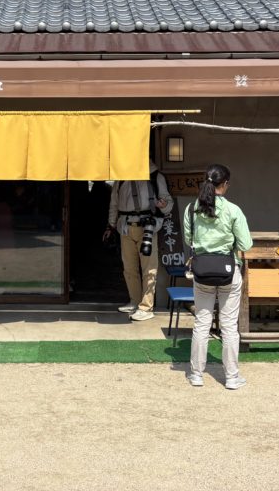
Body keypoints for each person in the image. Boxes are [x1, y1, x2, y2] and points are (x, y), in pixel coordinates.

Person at [182, 163, 253, 389]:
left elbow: (187, 239)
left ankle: (196, 374)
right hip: (228, 272)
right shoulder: (233, 210)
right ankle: (231, 377)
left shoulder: (191, 210)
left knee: (201, 323)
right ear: (225, 184)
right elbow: (245, 244)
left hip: (202, 272)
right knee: (229, 325)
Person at [106, 159, 174, 321]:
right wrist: (111, 225)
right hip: (125, 227)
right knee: (129, 268)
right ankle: (135, 300)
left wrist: (163, 205)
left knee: (149, 269)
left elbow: (168, 203)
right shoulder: (121, 178)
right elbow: (114, 204)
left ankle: (146, 306)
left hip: (148, 227)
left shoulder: (155, 176)